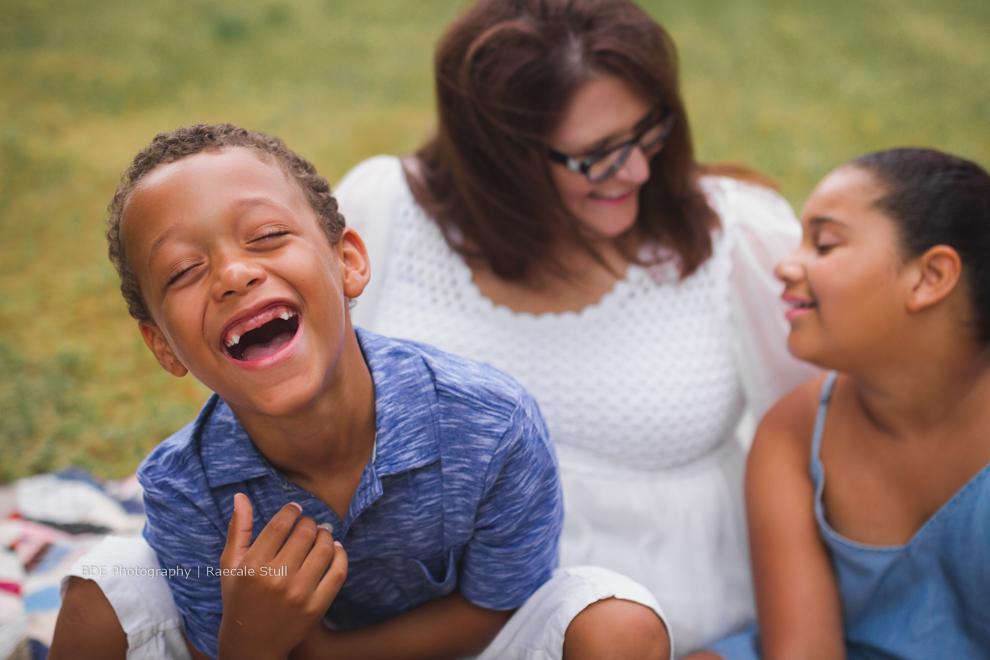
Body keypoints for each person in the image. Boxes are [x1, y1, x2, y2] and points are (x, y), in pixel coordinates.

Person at [49, 123, 670, 660]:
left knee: (618, 622)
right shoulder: (184, 490)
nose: (234, 274)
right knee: (105, 582)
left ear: (347, 262)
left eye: (265, 236)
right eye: (184, 270)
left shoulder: (491, 424)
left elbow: (499, 605)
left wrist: (329, 652)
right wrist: (252, 637)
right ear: (162, 346)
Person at [333, 0, 817, 654]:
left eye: (649, 130)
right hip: (416, 631)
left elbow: (830, 434)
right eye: (596, 155)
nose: (640, 170)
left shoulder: (735, 232)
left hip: (671, 636)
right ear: (499, 158)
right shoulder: (386, 208)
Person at [702, 148, 990, 660]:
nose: (786, 264)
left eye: (825, 243)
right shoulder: (793, 432)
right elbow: (804, 652)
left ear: (930, 277)